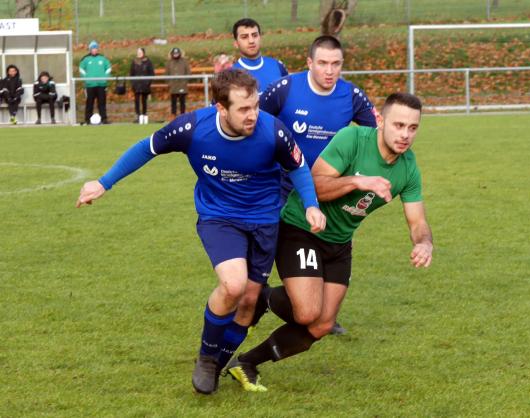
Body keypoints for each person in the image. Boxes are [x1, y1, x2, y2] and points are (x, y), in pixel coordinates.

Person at [75, 69, 326, 396]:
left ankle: (219, 364)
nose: (253, 115)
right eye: (243, 109)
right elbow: (145, 148)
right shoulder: (193, 128)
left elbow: (298, 166)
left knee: (249, 302)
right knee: (233, 285)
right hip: (219, 217)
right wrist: (103, 182)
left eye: (255, 106)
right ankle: (207, 358)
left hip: (264, 221)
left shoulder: (273, 131)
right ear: (221, 108)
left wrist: (311, 204)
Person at [228, 92, 433, 392]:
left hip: (339, 243)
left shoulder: (408, 168)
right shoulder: (353, 139)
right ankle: (265, 298)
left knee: (322, 324)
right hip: (302, 227)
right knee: (308, 312)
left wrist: (424, 242)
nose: (404, 134)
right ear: (381, 121)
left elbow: (418, 221)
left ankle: (246, 362)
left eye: (412, 128)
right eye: (398, 125)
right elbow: (315, 185)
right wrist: (357, 181)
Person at [260, 35, 378, 335]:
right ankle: (256, 294)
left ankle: (325, 310)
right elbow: (256, 123)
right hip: (284, 187)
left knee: (330, 242)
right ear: (309, 62)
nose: (329, 70)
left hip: (328, 188)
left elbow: (375, 138)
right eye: (323, 63)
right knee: (271, 242)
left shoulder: (352, 96)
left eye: (336, 64)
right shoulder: (284, 90)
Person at [231, 18, 288, 94]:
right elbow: (216, 105)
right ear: (236, 44)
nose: (251, 41)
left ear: (260, 38)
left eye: (255, 35)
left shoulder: (277, 65)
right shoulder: (230, 75)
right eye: (244, 37)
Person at [79, 40, 112, 125]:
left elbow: (109, 68)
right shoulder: (86, 59)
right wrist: (86, 78)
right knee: (89, 103)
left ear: (97, 49)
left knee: (102, 103)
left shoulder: (102, 58)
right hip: (90, 85)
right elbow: (81, 69)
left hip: (101, 85)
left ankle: (104, 119)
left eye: (95, 48)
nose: (94, 50)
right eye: (92, 48)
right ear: (90, 49)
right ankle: (87, 119)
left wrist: (105, 77)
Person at [129, 47, 155, 124]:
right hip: (136, 84)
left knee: (144, 101)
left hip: (145, 84)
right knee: (136, 100)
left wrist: (148, 82)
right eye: (138, 52)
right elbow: (131, 73)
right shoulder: (134, 61)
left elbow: (151, 73)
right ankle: (138, 115)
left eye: (140, 52)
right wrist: (133, 83)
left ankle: (144, 115)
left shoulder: (148, 61)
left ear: (143, 53)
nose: (139, 53)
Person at [165, 47, 191, 118]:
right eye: (174, 53)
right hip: (173, 85)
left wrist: (185, 81)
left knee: (182, 102)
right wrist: (169, 83)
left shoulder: (184, 61)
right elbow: (166, 73)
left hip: (182, 85)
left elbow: (188, 72)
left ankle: (183, 116)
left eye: (177, 53)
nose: (175, 55)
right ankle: (173, 116)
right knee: (173, 103)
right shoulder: (169, 62)